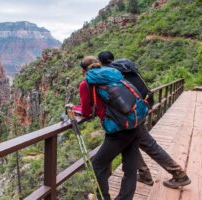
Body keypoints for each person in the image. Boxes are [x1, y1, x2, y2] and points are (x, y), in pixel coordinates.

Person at [97, 51, 191, 189]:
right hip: (140, 110)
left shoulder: (111, 74)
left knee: (149, 145)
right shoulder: (126, 68)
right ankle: (145, 175)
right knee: (133, 142)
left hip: (130, 117)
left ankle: (179, 174)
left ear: (100, 62)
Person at [73, 56, 142, 200]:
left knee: (98, 164)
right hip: (134, 122)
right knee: (130, 168)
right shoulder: (113, 74)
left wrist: (73, 108)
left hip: (117, 129)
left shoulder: (86, 83)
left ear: (83, 70)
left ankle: (103, 197)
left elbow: (86, 111)